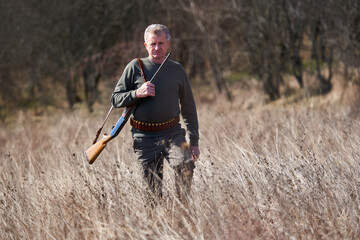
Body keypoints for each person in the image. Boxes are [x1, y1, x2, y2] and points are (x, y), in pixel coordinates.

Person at [111, 24, 200, 206]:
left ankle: (183, 212)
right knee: (153, 194)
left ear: (168, 44)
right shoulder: (134, 67)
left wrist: (194, 141)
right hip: (144, 137)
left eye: (161, 43)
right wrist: (137, 93)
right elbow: (115, 100)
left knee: (186, 167)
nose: (157, 48)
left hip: (173, 133)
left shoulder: (177, 70)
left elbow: (189, 107)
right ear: (146, 45)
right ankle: (156, 226)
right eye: (153, 44)